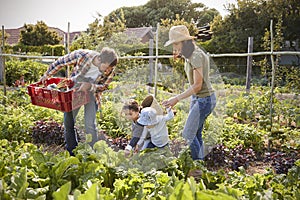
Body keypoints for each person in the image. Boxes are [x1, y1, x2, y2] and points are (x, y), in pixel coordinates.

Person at [40, 48, 118, 156]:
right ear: (99, 59)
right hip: (74, 91)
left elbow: (104, 86)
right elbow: (61, 62)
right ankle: (72, 153)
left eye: (110, 69)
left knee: (90, 124)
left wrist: (90, 86)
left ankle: (93, 154)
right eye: (106, 68)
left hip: (92, 94)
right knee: (69, 122)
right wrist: (47, 74)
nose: (108, 71)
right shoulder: (83, 56)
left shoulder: (110, 69)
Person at [162, 25, 216, 160]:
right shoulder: (190, 55)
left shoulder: (196, 56)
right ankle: (200, 165)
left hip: (204, 99)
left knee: (187, 135)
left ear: (185, 42)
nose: (174, 47)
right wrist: (179, 54)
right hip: (198, 98)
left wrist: (177, 98)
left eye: (176, 43)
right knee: (196, 134)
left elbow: (197, 85)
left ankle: (197, 168)